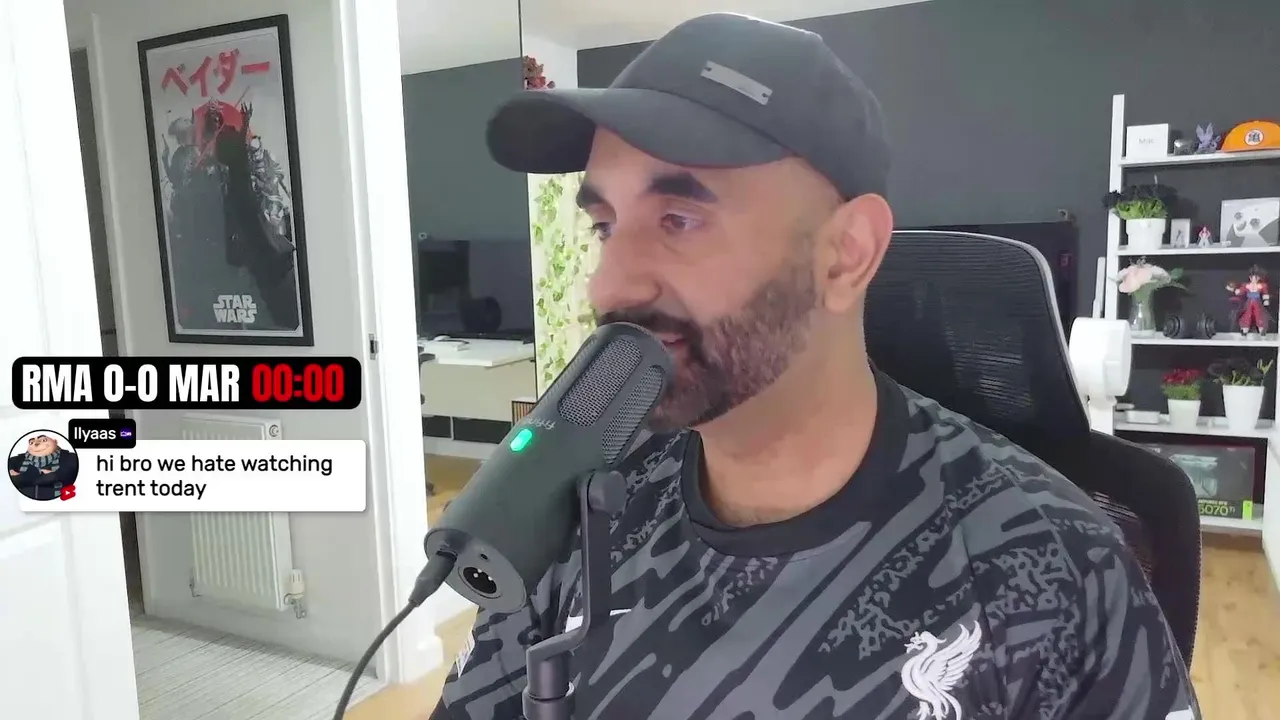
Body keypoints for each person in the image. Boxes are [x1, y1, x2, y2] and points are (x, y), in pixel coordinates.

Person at [431, 12, 1199, 720]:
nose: (610, 286)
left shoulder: (1051, 568)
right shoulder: (580, 507)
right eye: (605, 227)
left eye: (679, 219)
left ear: (846, 255)